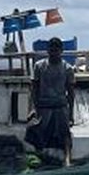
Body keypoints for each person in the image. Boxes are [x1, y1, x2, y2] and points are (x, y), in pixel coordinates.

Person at [26, 36, 76, 165]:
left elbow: (71, 92)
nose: (53, 53)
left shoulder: (67, 68)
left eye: (56, 50)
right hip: (43, 106)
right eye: (51, 50)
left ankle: (67, 160)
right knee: (39, 134)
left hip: (60, 106)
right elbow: (34, 89)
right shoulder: (39, 66)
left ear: (61, 51)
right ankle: (40, 158)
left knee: (65, 134)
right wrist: (32, 108)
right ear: (48, 50)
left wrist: (71, 114)